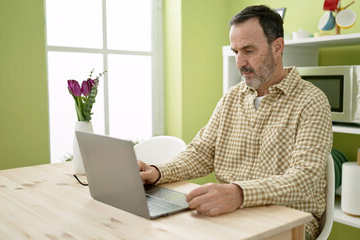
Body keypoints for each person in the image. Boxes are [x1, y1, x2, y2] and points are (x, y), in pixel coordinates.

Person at [138, 5, 332, 240]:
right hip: (231, 215)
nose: (240, 63)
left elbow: (304, 180)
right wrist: (158, 172)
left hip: (289, 220)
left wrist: (240, 193)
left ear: (277, 46)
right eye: (235, 52)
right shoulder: (232, 97)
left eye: (249, 50)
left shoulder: (311, 102)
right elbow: (201, 153)